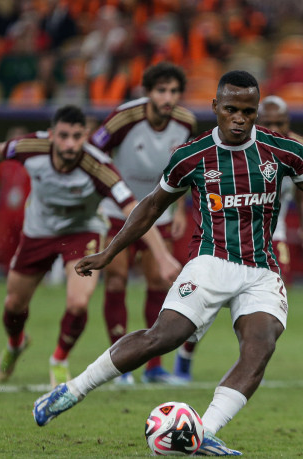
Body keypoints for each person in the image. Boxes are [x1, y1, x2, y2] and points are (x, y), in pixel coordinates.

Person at [32, 70, 303, 455]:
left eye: (248, 111)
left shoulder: (283, 151)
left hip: (261, 269)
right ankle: (71, 390)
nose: (240, 118)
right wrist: (111, 252)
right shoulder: (191, 156)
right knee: (164, 337)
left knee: (261, 344)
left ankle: (201, 431)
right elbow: (151, 206)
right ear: (215, 108)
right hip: (211, 261)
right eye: (231, 110)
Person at [0, 106, 181, 386]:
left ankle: (59, 359)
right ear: (52, 135)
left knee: (79, 302)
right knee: (14, 304)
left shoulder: (99, 166)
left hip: (83, 233)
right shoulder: (32, 147)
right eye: (64, 136)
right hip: (38, 232)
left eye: (77, 137)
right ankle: (15, 344)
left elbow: (135, 209)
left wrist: (163, 256)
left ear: (86, 137)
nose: (70, 144)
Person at [172, 94, 303, 382]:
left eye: (282, 122)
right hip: (229, 232)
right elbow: (187, 175)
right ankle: (187, 352)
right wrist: (180, 210)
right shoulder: (236, 145)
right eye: (270, 122)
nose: (276, 128)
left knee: (274, 295)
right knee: (209, 299)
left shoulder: (298, 146)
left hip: (270, 232)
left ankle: (250, 360)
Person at [89, 62, 196, 385]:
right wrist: (109, 193)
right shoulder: (124, 116)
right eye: (162, 90)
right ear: (148, 92)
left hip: (157, 212)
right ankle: (119, 364)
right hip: (117, 212)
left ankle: (153, 367)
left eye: (174, 91)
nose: (168, 97)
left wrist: (179, 209)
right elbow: (92, 152)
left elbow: (183, 169)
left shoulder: (186, 122)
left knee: (158, 284)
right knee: (117, 281)